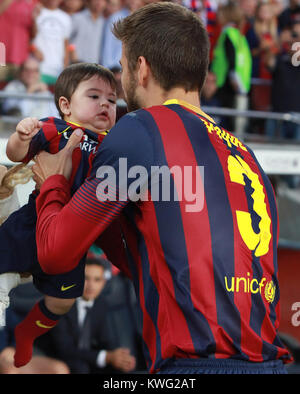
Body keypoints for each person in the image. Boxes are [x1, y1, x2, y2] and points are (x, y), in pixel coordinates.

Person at [32, 2, 292, 374]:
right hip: (270, 364)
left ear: (141, 68)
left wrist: (54, 182)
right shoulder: (247, 155)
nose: (120, 81)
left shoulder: (141, 129)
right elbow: (157, 260)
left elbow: (55, 252)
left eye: (122, 67)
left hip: (195, 366)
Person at [0, 62, 117, 368]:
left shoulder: (113, 147)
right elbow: (14, 154)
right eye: (94, 96)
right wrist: (22, 137)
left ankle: (27, 333)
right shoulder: (55, 128)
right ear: (65, 104)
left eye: (112, 100)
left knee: (63, 301)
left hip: (70, 239)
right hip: (33, 224)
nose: (105, 103)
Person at [44, 258, 136, 374]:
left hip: (83, 357)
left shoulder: (101, 304)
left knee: (119, 368)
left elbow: (105, 339)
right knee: (80, 368)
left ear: (103, 283)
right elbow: (64, 349)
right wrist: (107, 356)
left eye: (97, 280)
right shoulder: (61, 303)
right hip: (54, 357)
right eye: (86, 278)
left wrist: (119, 356)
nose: (91, 285)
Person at [211, 1, 252, 134]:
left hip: (226, 83)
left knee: (225, 123)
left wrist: (233, 78)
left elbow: (231, 59)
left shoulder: (228, 33)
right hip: (239, 84)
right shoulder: (239, 35)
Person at [0, 306, 70, 374]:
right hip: (5, 363)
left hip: (12, 356)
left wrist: (12, 347)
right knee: (10, 371)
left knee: (59, 369)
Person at [32, 0, 72, 86]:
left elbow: (66, 44)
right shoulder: (37, 11)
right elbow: (28, 36)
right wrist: (33, 49)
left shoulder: (66, 17)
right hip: (38, 68)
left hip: (57, 69)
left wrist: (65, 66)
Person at [0, 0, 40, 82]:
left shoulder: (32, 3)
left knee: (17, 90)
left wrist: (34, 19)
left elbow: (33, 34)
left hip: (20, 59)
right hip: (1, 56)